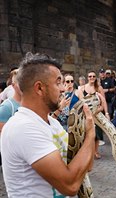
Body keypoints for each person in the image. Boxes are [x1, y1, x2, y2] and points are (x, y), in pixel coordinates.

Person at [1, 52, 95, 197]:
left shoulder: (52, 123)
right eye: (58, 83)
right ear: (39, 88)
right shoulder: (23, 128)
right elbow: (70, 186)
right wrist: (90, 135)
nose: (64, 89)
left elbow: (86, 167)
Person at [79, 70, 110, 159]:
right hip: (87, 115)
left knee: (97, 135)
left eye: (93, 76)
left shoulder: (99, 88)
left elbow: (103, 101)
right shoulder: (83, 88)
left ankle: (95, 151)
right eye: (90, 76)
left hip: (97, 114)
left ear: (95, 77)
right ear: (87, 77)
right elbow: (82, 102)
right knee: (88, 134)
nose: (92, 78)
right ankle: (89, 152)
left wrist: (106, 112)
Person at [0, 69, 21, 167]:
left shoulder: (29, 104)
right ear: (13, 85)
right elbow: (3, 134)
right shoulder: (7, 107)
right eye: (20, 82)